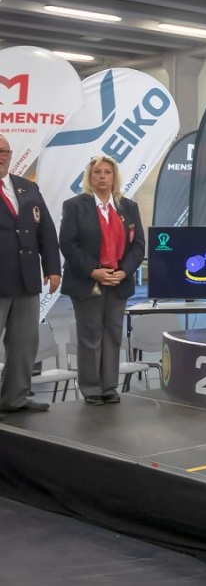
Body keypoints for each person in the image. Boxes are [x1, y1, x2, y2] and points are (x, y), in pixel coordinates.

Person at [59, 155, 145, 405]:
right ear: (89, 177)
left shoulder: (128, 207)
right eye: (97, 172)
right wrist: (93, 271)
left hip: (118, 281)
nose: (103, 177)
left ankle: (109, 387)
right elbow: (68, 244)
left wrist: (124, 271)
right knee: (90, 335)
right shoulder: (75, 206)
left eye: (107, 172)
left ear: (114, 176)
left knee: (113, 334)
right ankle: (91, 388)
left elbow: (138, 245)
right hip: (88, 281)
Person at [0, 133, 60, 415]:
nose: (1, 156)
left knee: (24, 344)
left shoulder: (27, 187)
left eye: (4, 151)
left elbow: (46, 230)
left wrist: (52, 268)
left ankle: (15, 398)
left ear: (11, 155)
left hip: (27, 281)